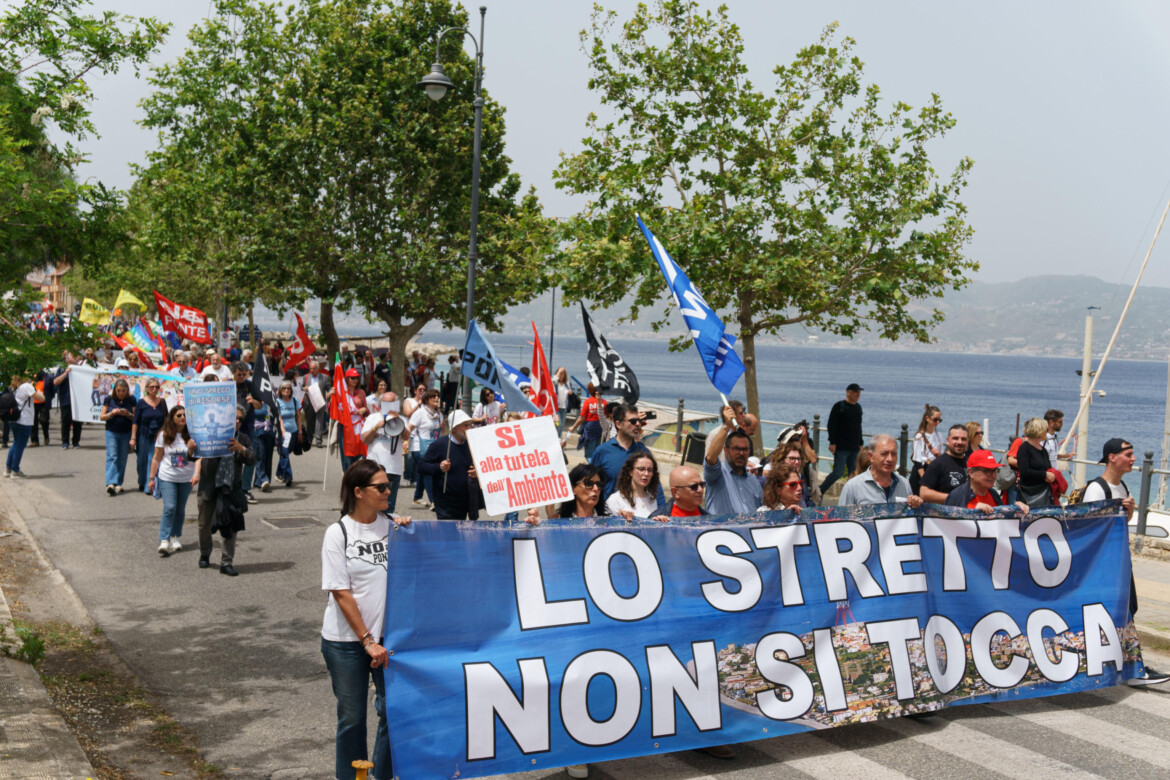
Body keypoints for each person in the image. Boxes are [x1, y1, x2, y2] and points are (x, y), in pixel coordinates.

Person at [321, 460, 412, 780]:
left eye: (389, 485)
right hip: (346, 643)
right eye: (382, 487)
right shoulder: (338, 532)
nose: (390, 491)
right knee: (352, 717)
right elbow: (340, 593)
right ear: (358, 492)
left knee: (393, 712)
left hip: (389, 640)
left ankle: (380, 775)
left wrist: (408, 528)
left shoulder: (393, 526)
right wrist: (367, 640)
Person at [1081, 437, 1170, 687]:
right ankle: (1131, 668)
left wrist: (1128, 512)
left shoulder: (1122, 488)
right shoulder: (1097, 489)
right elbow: (1090, 527)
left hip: (1119, 561)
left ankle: (1123, 664)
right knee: (1119, 612)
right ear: (1112, 457)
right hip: (1104, 565)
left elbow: (1120, 524)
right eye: (1128, 454)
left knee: (1129, 608)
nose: (1133, 459)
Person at [193, 403, 256, 575]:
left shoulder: (242, 439)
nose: (236, 421)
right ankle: (205, 553)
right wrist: (191, 449)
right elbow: (192, 456)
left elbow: (251, 459)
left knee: (231, 525)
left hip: (230, 488)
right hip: (208, 485)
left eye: (239, 419)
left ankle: (226, 562)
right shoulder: (208, 436)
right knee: (204, 524)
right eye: (233, 418)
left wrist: (240, 449)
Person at [148, 405, 199, 556]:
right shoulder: (164, 435)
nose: (182, 417)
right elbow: (156, 458)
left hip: (185, 478)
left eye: (184, 415)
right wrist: (151, 478)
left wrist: (191, 449)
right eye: (179, 415)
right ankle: (164, 540)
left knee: (180, 509)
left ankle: (175, 536)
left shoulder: (192, 435)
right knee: (170, 506)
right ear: (172, 418)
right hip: (167, 477)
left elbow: (197, 458)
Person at [590, 403, 665, 504]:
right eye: (633, 421)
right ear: (618, 424)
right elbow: (590, 484)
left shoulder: (644, 453)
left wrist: (662, 512)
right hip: (609, 515)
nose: (638, 424)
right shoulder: (602, 451)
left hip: (638, 514)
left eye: (639, 420)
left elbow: (656, 487)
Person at [417, 410, 483, 520]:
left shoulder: (471, 445)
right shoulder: (440, 445)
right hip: (445, 502)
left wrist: (476, 473)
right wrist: (439, 467)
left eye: (470, 425)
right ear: (454, 428)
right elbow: (421, 466)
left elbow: (477, 466)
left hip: (465, 500)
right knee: (448, 534)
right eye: (465, 425)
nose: (469, 428)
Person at [703, 406, 763, 515]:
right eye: (736, 449)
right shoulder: (717, 475)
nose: (741, 453)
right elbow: (711, 458)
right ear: (726, 450)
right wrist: (727, 426)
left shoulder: (753, 481)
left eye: (745, 449)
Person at [838, 434, 925, 507]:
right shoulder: (853, 487)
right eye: (884, 453)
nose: (890, 459)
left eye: (894, 454)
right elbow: (841, 522)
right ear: (871, 456)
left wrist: (916, 506)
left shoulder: (904, 485)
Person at [944, 449, 1029, 514]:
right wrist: (971, 512)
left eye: (994, 470)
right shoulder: (957, 496)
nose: (992, 475)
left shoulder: (994, 494)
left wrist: (1015, 509)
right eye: (987, 471)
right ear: (971, 473)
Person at [360, 392, 405, 514]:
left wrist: (398, 421)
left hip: (392, 469)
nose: (388, 405)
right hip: (374, 468)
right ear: (380, 404)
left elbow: (406, 436)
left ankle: (385, 532)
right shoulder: (372, 418)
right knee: (371, 504)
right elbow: (364, 439)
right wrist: (376, 427)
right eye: (385, 403)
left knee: (388, 506)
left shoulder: (401, 419)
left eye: (392, 403)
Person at [819, 383, 863, 494]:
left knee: (853, 474)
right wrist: (832, 442)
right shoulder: (839, 406)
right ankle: (819, 491)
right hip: (842, 446)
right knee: (838, 472)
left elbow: (858, 426)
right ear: (848, 392)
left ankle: (852, 495)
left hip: (854, 447)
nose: (857, 395)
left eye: (859, 393)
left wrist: (861, 442)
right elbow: (831, 425)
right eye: (855, 392)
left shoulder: (858, 407)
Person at [406, 389, 442, 508]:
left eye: (438, 396)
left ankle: (417, 497)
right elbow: (409, 428)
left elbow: (440, 433)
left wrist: (443, 426)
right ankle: (434, 501)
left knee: (422, 471)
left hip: (432, 447)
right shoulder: (419, 413)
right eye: (433, 397)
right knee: (428, 472)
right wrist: (406, 442)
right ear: (427, 400)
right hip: (419, 447)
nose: (437, 398)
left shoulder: (438, 414)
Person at [131, 378, 167, 493]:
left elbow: (167, 419)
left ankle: (149, 486)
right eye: (152, 387)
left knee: (153, 458)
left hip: (158, 434)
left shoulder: (162, 402)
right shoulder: (141, 402)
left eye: (157, 387)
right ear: (147, 388)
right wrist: (133, 437)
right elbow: (135, 421)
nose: (154, 389)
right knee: (141, 460)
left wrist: (162, 432)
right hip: (143, 434)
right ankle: (142, 481)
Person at [100, 379, 136, 494]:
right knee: (112, 455)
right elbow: (102, 416)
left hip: (126, 432)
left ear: (127, 391)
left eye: (123, 391)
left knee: (122, 457)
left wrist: (128, 414)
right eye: (119, 390)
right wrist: (112, 413)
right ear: (115, 390)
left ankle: (118, 483)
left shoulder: (131, 400)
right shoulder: (109, 399)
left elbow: (136, 417)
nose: (121, 393)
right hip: (112, 431)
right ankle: (110, 482)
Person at [919, 424, 970, 504]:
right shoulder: (938, 464)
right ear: (948, 440)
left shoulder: (971, 463)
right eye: (955, 438)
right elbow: (924, 493)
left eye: (963, 439)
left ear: (967, 442)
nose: (959, 442)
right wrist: (954, 498)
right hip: (944, 514)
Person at [4, 374, 42, 478]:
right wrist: (36, 389)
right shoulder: (27, 386)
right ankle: (15, 470)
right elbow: (41, 398)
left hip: (14, 419)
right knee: (20, 446)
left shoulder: (14, 387)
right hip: (24, 420)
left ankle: (8, 468)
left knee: (16, 444)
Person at [604, 452, 661, 519]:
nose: (646, 473)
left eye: (650, 470)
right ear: (630, 471)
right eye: (641, 469)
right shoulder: (615, 500)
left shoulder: (652, 499)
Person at [1016, 417, 1055, 508]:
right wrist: (1044, 475)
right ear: (1039, 431)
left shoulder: (1043, 450)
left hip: (1044, 491)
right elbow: (1024, 471)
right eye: (1046, 429)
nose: (1047, 431)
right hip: (1029, 492)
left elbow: (1048, 468)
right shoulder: (1024, 448)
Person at [274, 381, 304, 487]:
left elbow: (298, 417)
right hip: (283, 433)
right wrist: (282, 431)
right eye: (284, 388)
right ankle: (288, 476)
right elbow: (279, 418)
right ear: (280, 390)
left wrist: (300, 431)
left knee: (285, 453)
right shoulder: (277, 402)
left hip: (294, 432)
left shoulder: (295, 401)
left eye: (288, 388)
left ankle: (278, 473)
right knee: (285, 453)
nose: (286, 390)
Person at [909, 404, 943, 494]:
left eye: (940, 420)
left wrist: (938, 454)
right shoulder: (919, 436)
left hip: (933, 470)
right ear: (927, 418)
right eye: (935, 419)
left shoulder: (939, 435)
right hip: (921, 472)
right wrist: (925, 480)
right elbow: (917, 461)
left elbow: (941, 458)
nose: (937, 422)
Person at [52, 352, 83, 449]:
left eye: (75, 357)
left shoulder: (82, 370)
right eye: (71, 357)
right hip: (66, 399)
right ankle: (65, 442)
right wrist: (66, 373)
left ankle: (76, 442)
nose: (73, 359)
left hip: (78, 401)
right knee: (65, 421)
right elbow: (55, 382)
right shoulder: (61, 369)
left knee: (77, 422)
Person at [566, 382, 605, 458]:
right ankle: (597, 466)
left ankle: (593, 468)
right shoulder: (604, 402)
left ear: (590, 390)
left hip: (590, 429)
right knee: (597, 451)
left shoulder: (588, 401)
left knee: (589, 454)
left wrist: (573, 427)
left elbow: (582, 417)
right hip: (601, 428)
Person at [302, 360, 332, 447]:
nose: (312, 370)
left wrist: (329, 393)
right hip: (309, 402)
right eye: (310, 368)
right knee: (310, 421)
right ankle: (310, 439)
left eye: (314, 368)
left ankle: (318, 440)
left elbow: (329, 388)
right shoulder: (306, 377)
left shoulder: (325, 377)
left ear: (318, 368)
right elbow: (300, 387)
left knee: (319, 421)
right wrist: (305, 388)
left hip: (320, 401)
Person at [553, 366, 572, 432]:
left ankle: (559, 439)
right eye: (560, 374)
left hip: (564, 408)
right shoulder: (555, 383)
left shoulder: (566, 384)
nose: (561, 376)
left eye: (562, 374)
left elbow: (570, 391)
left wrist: (570, 392)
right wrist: (560, 370)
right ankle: (556, 438)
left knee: (562, 426)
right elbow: (553, 380)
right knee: (558, 424)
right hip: (556, 408)